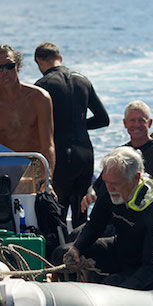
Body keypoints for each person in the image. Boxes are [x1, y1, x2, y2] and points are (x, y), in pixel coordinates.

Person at [60, 146, 153, 290]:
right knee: (61, 253)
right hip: (123, 251)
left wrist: (121, 290)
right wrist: (77, 249)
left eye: (115, 184)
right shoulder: (109, 187)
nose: (110, 188)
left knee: (110, 284)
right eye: (106, 182)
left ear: (136, 178)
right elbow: (95, 226)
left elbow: (150, 267)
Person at [34, 42, 109, 227]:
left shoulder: (42, 86)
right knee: (81, 214)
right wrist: (79, 126)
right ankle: (81, 252)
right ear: (60, 58)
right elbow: (103, 119)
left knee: (56, 212)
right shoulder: (83, 80)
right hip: (85, 154)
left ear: (39, 61)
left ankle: (59, 253)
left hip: (60, 156)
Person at [81, 99, 153, 217]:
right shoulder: (120, 154)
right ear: (125, 123)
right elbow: (98, 184)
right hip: (124, 217)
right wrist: (91, 193)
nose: (136, 125)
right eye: (132, 120)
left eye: (141, 120)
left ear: (150, 123)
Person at [0, 44, 55, 188]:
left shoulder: (40, 98)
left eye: (9, 66)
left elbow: (47, 145)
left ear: (17, 65)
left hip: (36, 169)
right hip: (4, 174)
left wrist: (47, 180)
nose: (4, 72)